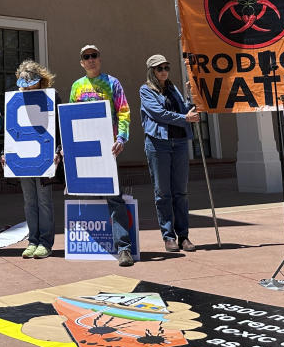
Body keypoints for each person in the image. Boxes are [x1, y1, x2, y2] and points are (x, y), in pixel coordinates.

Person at [69, 45, 135, 267]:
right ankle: (86, 245)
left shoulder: (112, 83)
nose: (90, 59)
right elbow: (70, 116)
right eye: (86, 57)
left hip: (108, 149)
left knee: (114, 197)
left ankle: (123, 248)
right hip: (84, 151)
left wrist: (121, 138)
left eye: (94, 55)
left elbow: (124, 110)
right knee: (83, 194)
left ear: (100, 58)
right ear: (81, 62)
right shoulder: (76, 87)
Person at [140, 54, 201, 252]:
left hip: (180, 143)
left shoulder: (174, 88)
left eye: (166, 67)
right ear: (152, 71)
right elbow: (159, 114)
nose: (164, 71)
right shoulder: (145, 90)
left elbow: (187, 111)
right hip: (158, 144)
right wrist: (185, 117)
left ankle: (184, 236)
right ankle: (168, 236)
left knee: (180, 192)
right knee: (163, 193)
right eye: (159, 68)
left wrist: (192, 97)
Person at [4, 60, 62, 259]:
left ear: (40, 80)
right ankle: (33, 241)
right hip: (23, 158)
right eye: (25, 83)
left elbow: (60, 128)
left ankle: (45, 242)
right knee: (29, 201)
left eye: (32, 82)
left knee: (43, 200)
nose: (28, 86)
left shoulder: (52, 97)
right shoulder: (15, 99)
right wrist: (7, 153)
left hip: (44, 157)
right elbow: (10, 129)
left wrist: (59, 150)